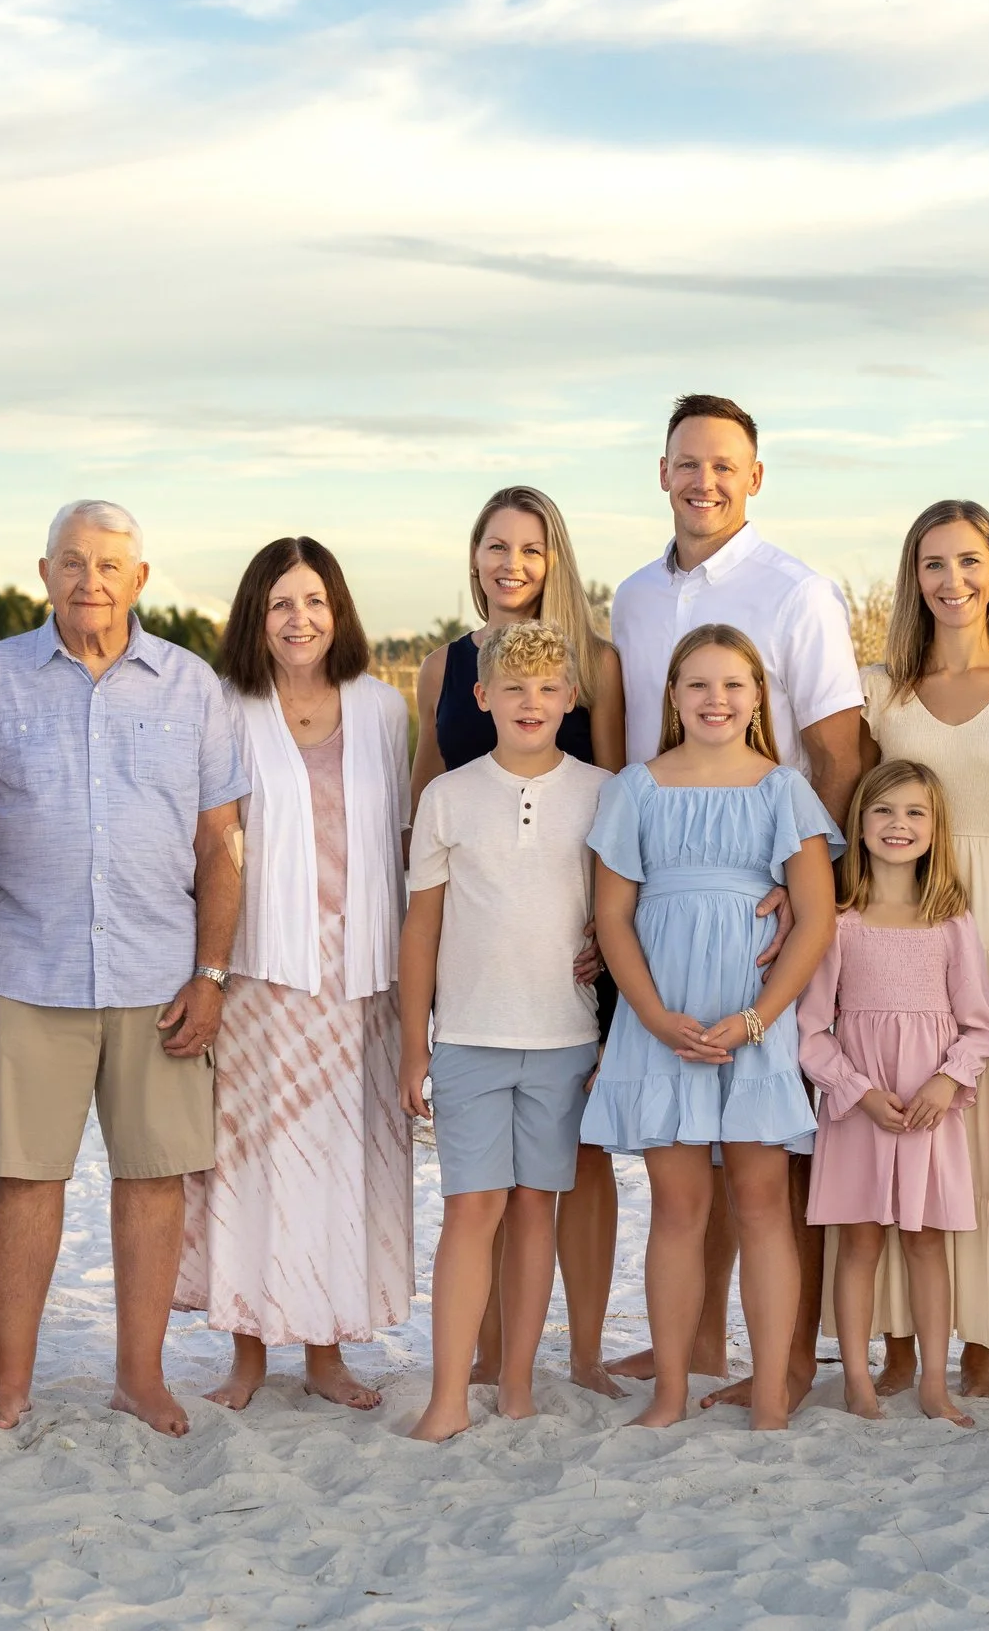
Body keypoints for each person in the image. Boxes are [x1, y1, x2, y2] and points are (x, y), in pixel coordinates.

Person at [0, 498, 247, 1438]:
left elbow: (220, 845)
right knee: (26, 1179)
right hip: (30, 971)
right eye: (72, 563)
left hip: (159, 976)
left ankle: (140, 1377)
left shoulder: (192, 686)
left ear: (140, 581)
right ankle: (8, 1378)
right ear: (43, 574)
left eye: (110, 566)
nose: (91, 582)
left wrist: (213, 973)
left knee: (152, 1180)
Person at [607, 394, 863, 1408]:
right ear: (660, 472)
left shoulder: (797, 591)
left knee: (766, 1161)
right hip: (660, 893)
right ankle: (697, 1347)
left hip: (763, 907)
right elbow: (631, 750)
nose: (703, 481)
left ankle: (786, 1362)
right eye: (686, 463)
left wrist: (812, 905)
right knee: (679, 1166)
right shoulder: (630, 597)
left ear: (754, 476)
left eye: (724, 465)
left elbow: (838, 751)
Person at [581, 624, 842, 1431]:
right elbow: (613, 916)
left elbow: (816, 921)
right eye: (697, 685)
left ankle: (769, 1394)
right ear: (671, 695)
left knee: (763, 1203)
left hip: (751, 1024)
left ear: (759, 696)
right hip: (664, 1023)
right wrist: (653, 1017)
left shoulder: (783, 789)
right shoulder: (636, 789)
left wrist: (759, 1020)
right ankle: (669, 1389)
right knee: (679, 1207)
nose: (715, 700)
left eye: (733, 685)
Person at [177, 538, 412, 1413]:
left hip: (359, 983)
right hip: (260, 973)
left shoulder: (384, 711)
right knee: (250, 1167)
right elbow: (211, 843)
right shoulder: (226, 707)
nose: (299, 619)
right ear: (256, 615)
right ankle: (246, 1354)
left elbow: (398, 843)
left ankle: (325, 1354)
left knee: (343, 1168)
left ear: (338, 611)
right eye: (281, 603)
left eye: (314, 601)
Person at [845, 501, 989, 1400]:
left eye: (970, 561)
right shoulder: (877, 690)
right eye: (933, 564)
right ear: (914, 578)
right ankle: (896, 1343)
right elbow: (851, 812)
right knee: (893, 1117)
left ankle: (978, 1341)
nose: (953, 581)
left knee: (980, 1125)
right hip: (893, 926)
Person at [408, 486, 626, 1397]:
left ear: (554, 559)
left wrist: (607, 929)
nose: (512, 564)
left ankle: (573, 1354)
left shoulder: (598, 661)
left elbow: (617, 800)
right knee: (486, 1193)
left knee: (574, 1167)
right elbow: (428, 789)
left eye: (531, 549)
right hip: (477, 948)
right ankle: (488, 1362)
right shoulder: (440, 666)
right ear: (475, 559)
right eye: (496, 547)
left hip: (569, 955)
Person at [800, 760, 989, 1428]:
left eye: (915, 813)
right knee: (857, 1244)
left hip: (927, 1111)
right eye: (883, 811)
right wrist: (856, 1092)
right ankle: (857, 1380)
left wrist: (948, 1079)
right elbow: (809, 1032)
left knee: (924, 1245)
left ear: (936, 828)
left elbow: (980, 1027)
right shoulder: (838, 920)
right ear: (859, 823)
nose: (898, 825)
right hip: (861, 1110)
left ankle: (934, 1387)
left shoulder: (952, 920)